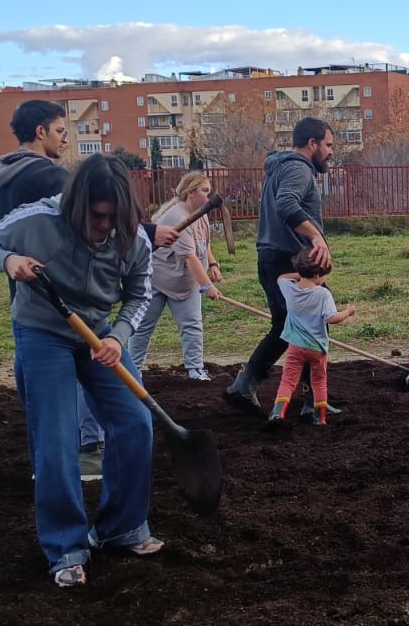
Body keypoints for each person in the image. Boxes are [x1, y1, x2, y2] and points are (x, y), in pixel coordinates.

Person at [0, 153, 162, 588]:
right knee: (57, 440)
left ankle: (122, 527)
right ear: (77, 206)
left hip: (98, 335)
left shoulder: (131, 236)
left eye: (114, 219)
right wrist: (7, 261)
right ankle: (66, 548)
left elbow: (139, 292)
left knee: (136, 422)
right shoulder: (38, 219)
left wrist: (119, 336)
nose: (104, 229)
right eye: (97, 217)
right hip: (43, 334)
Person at [0, 99, 178, 480]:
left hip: (39, 301)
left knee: (49, 409)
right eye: (61, 131)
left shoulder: (6, 177)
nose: (64, 140)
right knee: (60, 409)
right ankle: (83, 455)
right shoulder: (50, 180)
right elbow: (91, 217)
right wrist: (147, 231)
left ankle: (49, 469)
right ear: (40, 131)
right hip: (59, 306)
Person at [224, 117, 334, 413]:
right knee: (311, 322)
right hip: (289, 259)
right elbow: (287, 204)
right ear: (312, 144)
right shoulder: (298, 168)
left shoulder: (280, 168)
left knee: (287, 325)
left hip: (272, 257)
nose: (331, 151)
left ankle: (247, 385)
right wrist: (316, 238)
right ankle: (308, 401)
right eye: (328, 144)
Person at [129, 173, 224, 381]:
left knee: (192, 325)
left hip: (184, 281)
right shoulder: (176, 217)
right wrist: (207, 286)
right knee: (144, 326)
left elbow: (203, 244)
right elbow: (189, 257)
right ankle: (132, 371)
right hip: (157, 278)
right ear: (191, 193)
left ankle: (195, 370)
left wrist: (214, 264)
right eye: (205, 191)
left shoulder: (202, 213)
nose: (209, 195)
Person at [263, 250, 356, 428]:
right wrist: (348, 312)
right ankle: (319, 418)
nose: (323, 280)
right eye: (323, 276)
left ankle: (277, 414)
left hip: (295, 347)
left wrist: (302, 272)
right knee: (319, 382)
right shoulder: (322, 294)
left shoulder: (289, 288)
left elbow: (281, 277)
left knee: (288, 380)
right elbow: (331, 318)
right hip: (317, 348)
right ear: (316, 274)